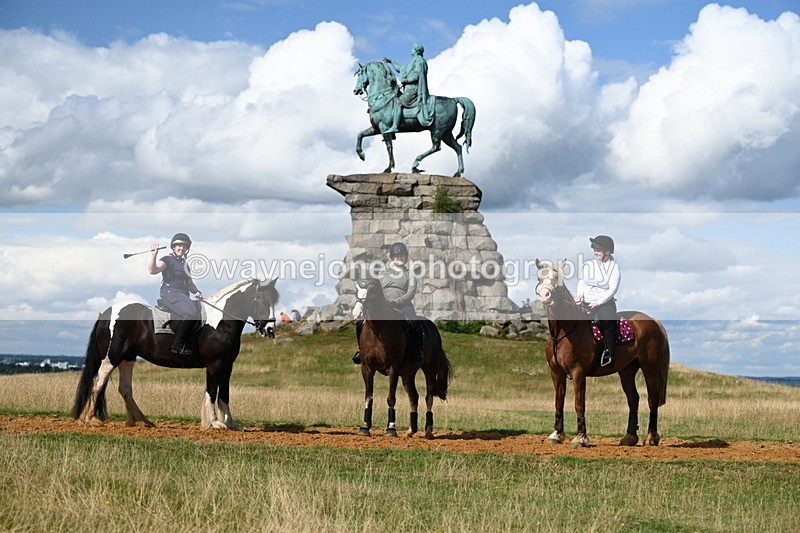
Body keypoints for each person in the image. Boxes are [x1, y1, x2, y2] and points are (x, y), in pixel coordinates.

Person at [352, 241, 424, 365]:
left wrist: (395, 302)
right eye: (396, 256)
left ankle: (416, 351)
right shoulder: (383, 274)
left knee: (414, 322)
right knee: (361, 323)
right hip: (384, 306)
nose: (399, 258)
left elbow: (410, 294)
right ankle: (361, 350)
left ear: (406, 257)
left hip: (403, 306)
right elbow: (375, 289)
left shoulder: (410, 275)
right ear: (392, 257)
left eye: (402, 255)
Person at [148, 233, 203, 357]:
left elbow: (189, 283)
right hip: (170, 292)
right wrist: (153, 256)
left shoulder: (185, 264)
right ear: (173, 247)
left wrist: (197, 291)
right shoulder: (167, 260)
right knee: (190, 313)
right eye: (179, 246)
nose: (181, 248)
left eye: (184, 246)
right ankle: (177, 345)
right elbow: (153, 270)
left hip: (183, 295)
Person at [575, 235, 620, 367]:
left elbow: (613, 289)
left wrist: (599, 302)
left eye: (598, 250)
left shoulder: (614, 268)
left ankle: (609, 354)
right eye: (594, 250)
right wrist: (579, 294)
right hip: (585, 301)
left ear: (607, 252)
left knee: (607, 322)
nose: (595, 252)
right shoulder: (589, 265)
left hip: (604, 304)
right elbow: (582, 281)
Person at [383, 43, 434, 133]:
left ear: (416, 51)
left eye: (412, 49)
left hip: (413, 90)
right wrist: (392, 61)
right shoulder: (413, 62)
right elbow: (400, 69)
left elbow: (417, 76)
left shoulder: (420, 62)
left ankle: (395, 126)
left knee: (397, 102)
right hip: (408, 89)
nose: (411, 50)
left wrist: (405, 80)